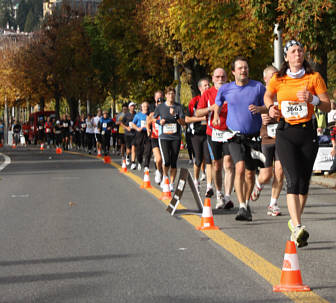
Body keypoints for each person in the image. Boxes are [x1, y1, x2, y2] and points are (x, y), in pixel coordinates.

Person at [265, 40, 330, 247]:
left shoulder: (314, 77)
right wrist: (270, 108)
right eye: (293, 51)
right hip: (286, 133)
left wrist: (313, 100)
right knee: (292, 179)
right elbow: (268, 95)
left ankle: (295, 224)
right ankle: (299, 225)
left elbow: (328, 106)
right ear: (286, 57)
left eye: (300, 51)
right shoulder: (278, 78)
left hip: (307, 133)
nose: (298, 54)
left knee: (303, 182)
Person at [214, 56, 267, 221]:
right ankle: (242, 206)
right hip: (234, 135)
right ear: (233, 72)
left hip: (253, 136)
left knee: (250, 174)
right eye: (240, 68)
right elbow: (218, 103)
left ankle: (247, 202)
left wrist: (260, 109)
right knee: (240, 168)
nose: (244, 70)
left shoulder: (258, 87)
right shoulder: (226, 89)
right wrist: (216, 115)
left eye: (246, 67)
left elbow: (269, 106)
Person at [196, 68, 234, 209]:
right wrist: (210, 109)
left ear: (226, 77)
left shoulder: (232, 91)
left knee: (229, 164)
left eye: (223, 76)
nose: (220, 79)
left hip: (230, 132)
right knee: (217, 165)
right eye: (217, 77)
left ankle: (228, 196)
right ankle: (219, 194)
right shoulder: (207, 93)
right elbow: (198, 112)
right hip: (213, 133)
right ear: (212, 78)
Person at [250, 66, 284, 217]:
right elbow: (252, 111)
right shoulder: (260, 93)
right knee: (266, 175)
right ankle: (258, 184)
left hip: (282, 135)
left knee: (280, 171)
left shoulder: (283, 90)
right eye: (272, 76)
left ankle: (273, 203)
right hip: (266, 137)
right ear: (265, 78)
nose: (275, 78)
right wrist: (261, 116)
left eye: (277, 75)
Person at [154, 86, 185, 191]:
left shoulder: (178, 107)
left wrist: (175, 115)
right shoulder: (160, 107)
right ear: (166, 95)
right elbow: (154, 119)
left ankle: (171, 183)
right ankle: (165, 177)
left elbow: (183, 123)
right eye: (169, 94)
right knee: (166, 160)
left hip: (176, 137)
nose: (171, 96)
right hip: (164, 137)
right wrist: (159, 122)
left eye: (173, 94)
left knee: (173, 161)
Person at [185, 78, 213, 196]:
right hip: (196, 134)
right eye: (205, 86)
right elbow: (187, 119)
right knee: (198, 159)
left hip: (208, 133)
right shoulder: (194, 101)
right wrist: (201, 118)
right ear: (200, 88)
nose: (207, 87)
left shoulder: (212, 99)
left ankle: (209, 186)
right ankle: (196, 181)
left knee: (209, 160)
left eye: (208, 85)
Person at [147, 91, 164, 184]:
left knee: (164, 160)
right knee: (158, 159)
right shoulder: (152, 113)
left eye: (161, 101)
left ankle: (163, 175)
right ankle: (158, 171)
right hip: (155, 138)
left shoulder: (166, 112)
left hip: (165, 138)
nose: (159, 103)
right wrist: (148, 129)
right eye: (158, 101)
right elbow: (148, 120)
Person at [132, 102, 152, 171]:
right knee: (139, 150)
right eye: (144, 106)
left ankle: (146, 165)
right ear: (141, 107)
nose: (145, 108)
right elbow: (132, 124)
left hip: (148, 133)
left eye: (146, 106)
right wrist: (137, 128)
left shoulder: (150, 115)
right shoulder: (137, 115)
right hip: (140, 133)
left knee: (148, 149)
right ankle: (139, 162)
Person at [121, 102, 137, 169]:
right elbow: (121, 123)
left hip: (134, 133)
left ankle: (133, 162)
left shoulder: (136, 114)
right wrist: (127, 127)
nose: (132, 107)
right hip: (127, 134)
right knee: (128, 149)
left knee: (134, 148)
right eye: (131, 106)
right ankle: (127, 156)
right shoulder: (126, 115)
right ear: (129, 107)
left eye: (133, 106)